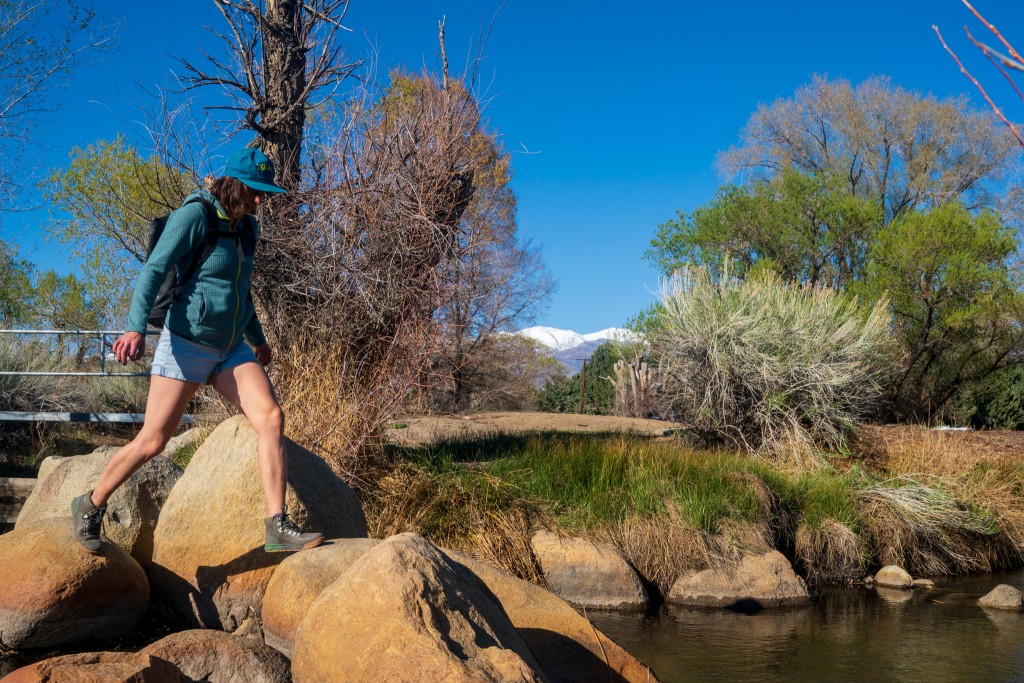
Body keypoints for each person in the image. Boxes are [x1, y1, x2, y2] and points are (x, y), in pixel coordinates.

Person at [71, 148, 323, 554]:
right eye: (254, 191)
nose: (260, 200)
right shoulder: (195, 215)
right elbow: (154, 269)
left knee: (271, 417)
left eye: (265, 193)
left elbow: (240, 291)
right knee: (153, 441)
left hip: (230, 348)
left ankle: (277, 525)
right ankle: (91, 503)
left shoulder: (248, 228)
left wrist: (257, 339)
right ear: (233, 184)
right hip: (186, 344)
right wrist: (135, 327)